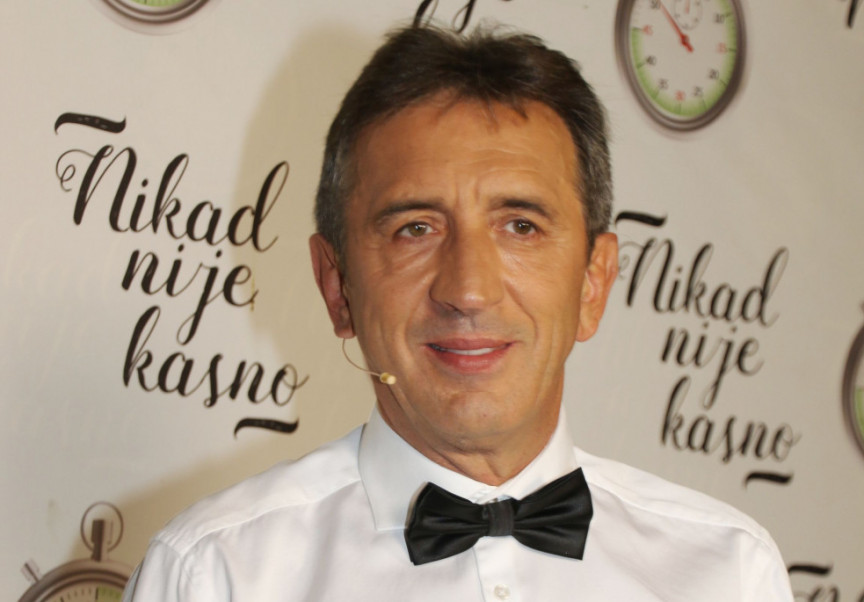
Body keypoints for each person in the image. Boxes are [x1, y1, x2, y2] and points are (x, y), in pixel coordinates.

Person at [124, 23, 793, 601]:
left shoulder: (730, 573)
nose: (469, 290)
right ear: (338, 286)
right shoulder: (214, 575)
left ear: (594, 282)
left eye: (521, 226)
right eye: (415, 229)